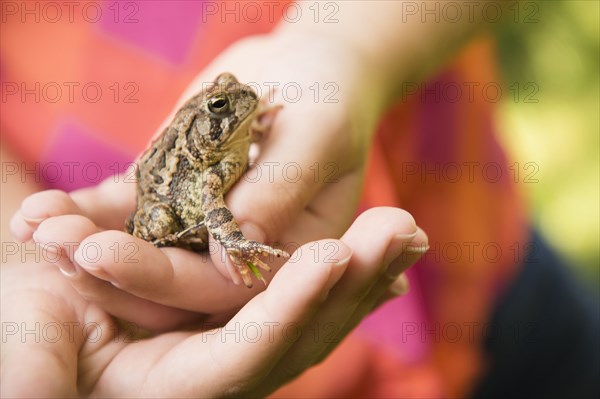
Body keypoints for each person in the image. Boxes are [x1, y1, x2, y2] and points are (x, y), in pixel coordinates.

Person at [2, 1, 598, 397]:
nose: (239, 107)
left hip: (480, 266)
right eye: (223, 110)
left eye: (234, 101)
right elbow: (208, 196)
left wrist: (347, 49)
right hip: (174, 224)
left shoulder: (239, 124)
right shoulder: (205, 161)